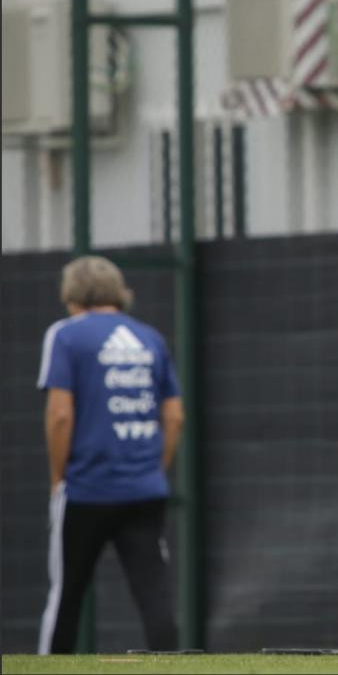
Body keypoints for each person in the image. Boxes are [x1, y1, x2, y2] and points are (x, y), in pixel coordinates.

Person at [36, 256, 184, 654]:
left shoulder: (66, 336)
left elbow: (60, 414)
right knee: (154, 594)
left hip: (85, 488)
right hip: (144, 490)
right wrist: (156, 468)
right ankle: (171, 666)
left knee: (66, 595)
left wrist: (58, 478)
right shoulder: (149, 338)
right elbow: (174, 415)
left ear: (73, 295)